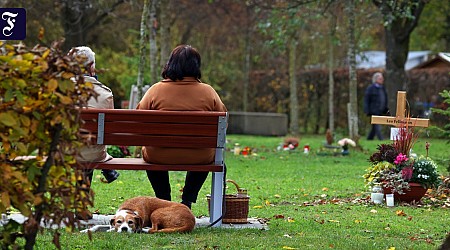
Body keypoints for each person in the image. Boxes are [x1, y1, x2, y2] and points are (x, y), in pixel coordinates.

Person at [136, 45, 227, 209]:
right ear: (196, 66)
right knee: (207, 154)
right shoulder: (209, 92)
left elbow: (138, 120)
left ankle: (164, 200)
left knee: (150, 152)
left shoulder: (155, 90)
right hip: (199, 156)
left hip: (159, 155)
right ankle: (187, 201)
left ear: (171, 64)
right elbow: (223, 122)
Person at [71, 46, 120, 184]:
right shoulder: (105, 94)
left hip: (64, 151)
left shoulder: (59, 90)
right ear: (92, 67)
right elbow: (111, 129)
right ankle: (83, 193)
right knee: (90, 147)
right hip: (94, 154)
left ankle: (80, 195)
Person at [364, 72, 388, 140]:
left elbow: (385, 99)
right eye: (380, 79)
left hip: (381, 110)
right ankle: (381, 139)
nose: (382, 80)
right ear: (376, 79)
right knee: (377, 125)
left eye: (382, 79)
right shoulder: (370, 88)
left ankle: (369, 138)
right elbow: (366, 100)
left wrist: (385, 109)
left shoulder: (382, 88)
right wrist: (367, 110)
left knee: (374, 127)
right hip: (373, 110)